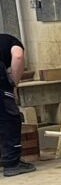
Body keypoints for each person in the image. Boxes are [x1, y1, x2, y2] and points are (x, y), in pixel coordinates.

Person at [1, 33, 34, 177]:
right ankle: (12, 164)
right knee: (9, 120)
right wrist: (13, 84)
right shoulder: (11, 41)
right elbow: (18, 56)